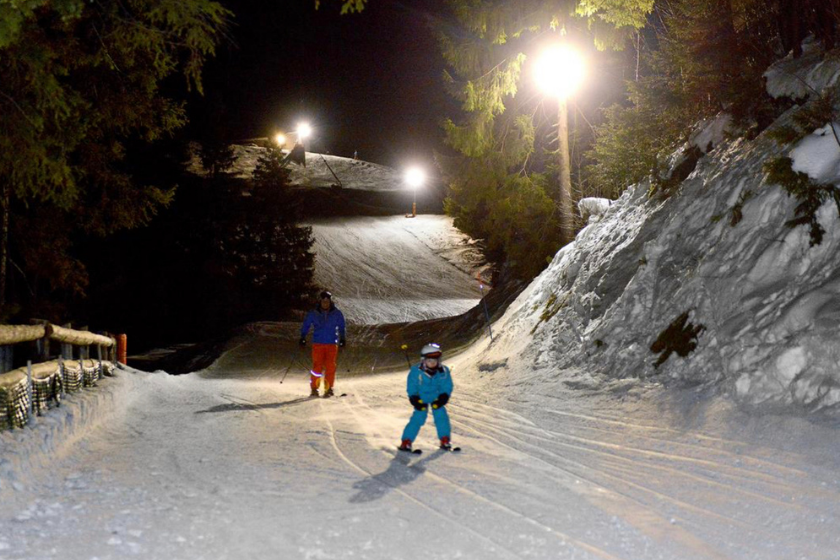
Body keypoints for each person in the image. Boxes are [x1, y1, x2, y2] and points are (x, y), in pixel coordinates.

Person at [399, 343, 455, 451]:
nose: (432, 363)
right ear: (423, 360)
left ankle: (445, 439)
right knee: (418, 418)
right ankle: (406, 441)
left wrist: (444, 396)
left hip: (436, 397)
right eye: (429, 361)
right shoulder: (416, 371)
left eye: (435, 360)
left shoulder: (443, 371)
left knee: (441, 416)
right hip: (421, 397)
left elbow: (447, 385)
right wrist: (414, 398)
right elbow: (411, 386)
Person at [300, 290, 346, 398]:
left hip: (331, 343)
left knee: (330, 366)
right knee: (317, 367)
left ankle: (328, 388)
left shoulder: (336, 313)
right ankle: (314, 389)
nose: (325, 303)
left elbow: (341, 326)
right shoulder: (314, 313)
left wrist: (342, 338)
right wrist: (303, 337)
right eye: (323, 301)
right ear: (320, 301)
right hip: (318, 343)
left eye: (327, 301)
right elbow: (306, 325)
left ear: (330, 302)